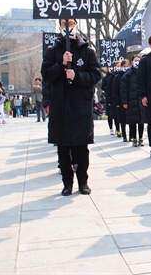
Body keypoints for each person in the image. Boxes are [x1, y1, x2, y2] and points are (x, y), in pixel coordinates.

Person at [41, 18, 101, 196]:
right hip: (60, 106)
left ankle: (83, 181)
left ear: (77, 25)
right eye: (64, 24)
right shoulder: (52, 51)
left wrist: (77, 76)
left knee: (81, 147)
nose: (68, 27)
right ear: (59, 27)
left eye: (71, 23)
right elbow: (46, 74)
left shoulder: (87, 51)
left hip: (81, 106)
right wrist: (61, 64)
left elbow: (95, 75)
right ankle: (67, 183)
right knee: (63, 147)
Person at [121, 55, 144, 147]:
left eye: (139, 60)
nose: (137, 62)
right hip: (131, 101)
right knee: (132, 121)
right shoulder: (127, 75)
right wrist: (125, 101)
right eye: (135, 61)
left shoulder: (143, 73)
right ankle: (134, 138)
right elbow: (123, 90)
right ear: (132, 62)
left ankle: (141, 138)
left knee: (141, 121)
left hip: (141, 101)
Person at [112, 59, 130, 142]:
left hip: (130, 100)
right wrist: (117, 102)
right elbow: (114, 90)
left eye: (127, 66)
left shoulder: (130, 75)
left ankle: (131, 135)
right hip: (120, 101)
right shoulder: (117, 77)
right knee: (122, 119)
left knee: (130, 119)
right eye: (124, 66)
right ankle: (124, 135)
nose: (126, 68)